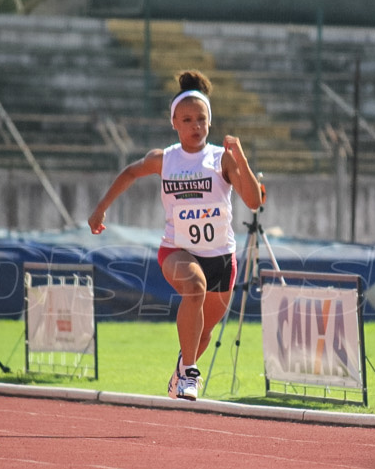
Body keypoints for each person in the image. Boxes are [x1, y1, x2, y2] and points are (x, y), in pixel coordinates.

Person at [88, 70, 263, 400]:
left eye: (201, 119)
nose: (195, 126)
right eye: (187, 120)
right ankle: (191, 374)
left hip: (221, 258)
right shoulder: (164, 159)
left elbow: (253, 201)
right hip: (177, 250)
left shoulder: (221, 159)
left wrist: (240, 157)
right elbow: (130, 172)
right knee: (193, 288)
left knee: (205, 332)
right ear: (174, 123)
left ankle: (182, 370)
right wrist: (101, 208)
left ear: (209, 122)